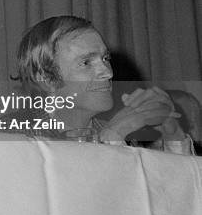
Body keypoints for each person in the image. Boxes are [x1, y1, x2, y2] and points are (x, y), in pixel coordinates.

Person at [11, 15, 193, 154]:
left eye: (105, 58)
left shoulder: (125, 133)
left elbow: (170, 197)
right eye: (86, 63)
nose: (109, 72)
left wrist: (173, 132)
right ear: (46, 79)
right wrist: (111, 138)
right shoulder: (14, 137)